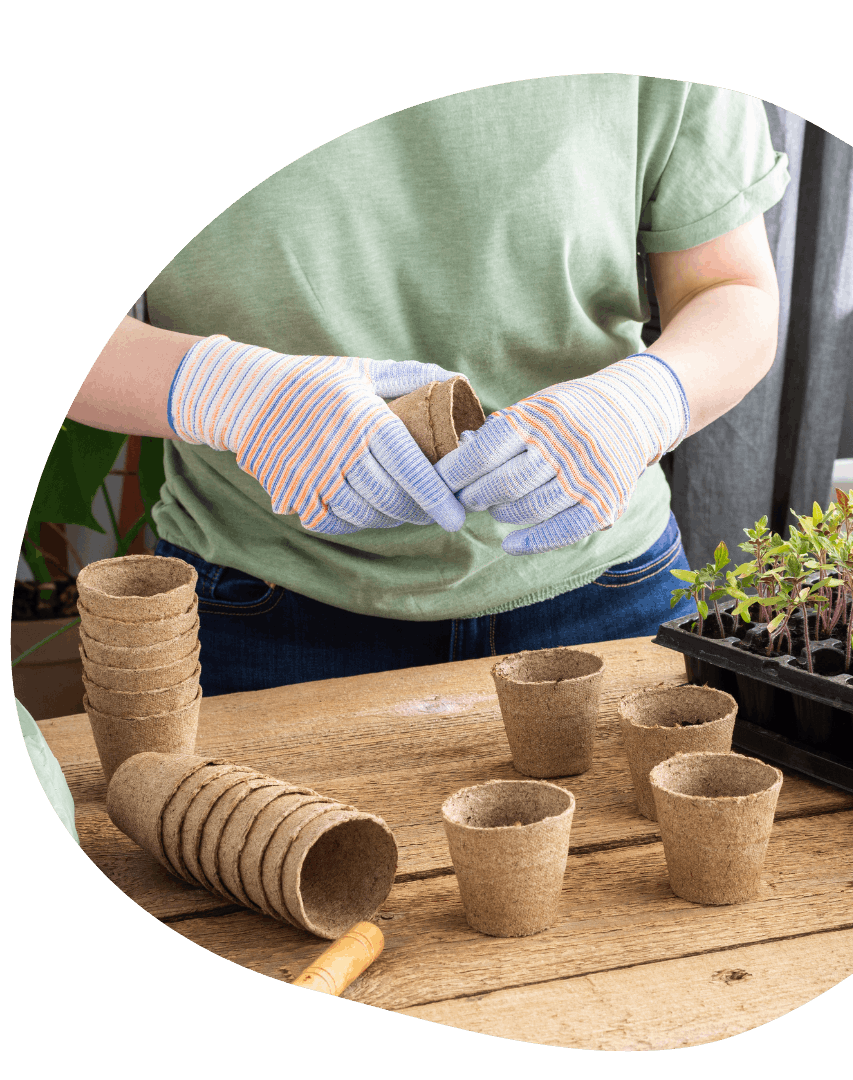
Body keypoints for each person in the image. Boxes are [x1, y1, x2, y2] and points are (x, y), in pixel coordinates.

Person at [70, 75, 788, 695]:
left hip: (605, 590)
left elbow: (730, 286)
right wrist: (237, 395)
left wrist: (642, 401)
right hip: (261, 603)